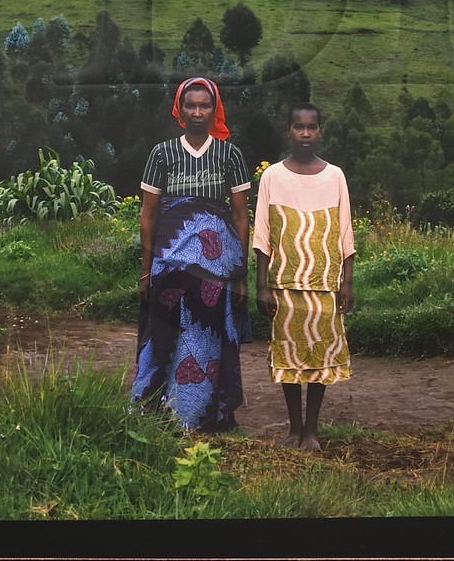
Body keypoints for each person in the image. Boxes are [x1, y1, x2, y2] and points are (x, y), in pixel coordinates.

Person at [131, 77, 251, 431]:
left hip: (218, 268)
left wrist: (239, 271)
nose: (197, 112)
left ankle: (210, 414)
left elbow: (241, 216)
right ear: (179, 110)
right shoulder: (162, 154)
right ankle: (159, 412)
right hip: (169, 264)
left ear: (215, 111)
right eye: (190, 106)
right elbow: (148, 215)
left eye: (204, 106)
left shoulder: (230, 154)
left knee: (209, 334)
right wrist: (146, 269)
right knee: (167, 332)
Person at [252, 103, 354, 450]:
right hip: (285, 285)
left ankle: (312, 429)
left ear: (320, 131)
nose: (306, 134)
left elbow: (345, 233)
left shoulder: (335, 176)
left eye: (312, 127)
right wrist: (261, 285)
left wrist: (347, 282)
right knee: (289, 357)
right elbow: (263, 235)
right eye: (299, 127)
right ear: (289, 131)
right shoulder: (272, 177)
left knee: (320, 357)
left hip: (325, 284)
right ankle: (294, 428)